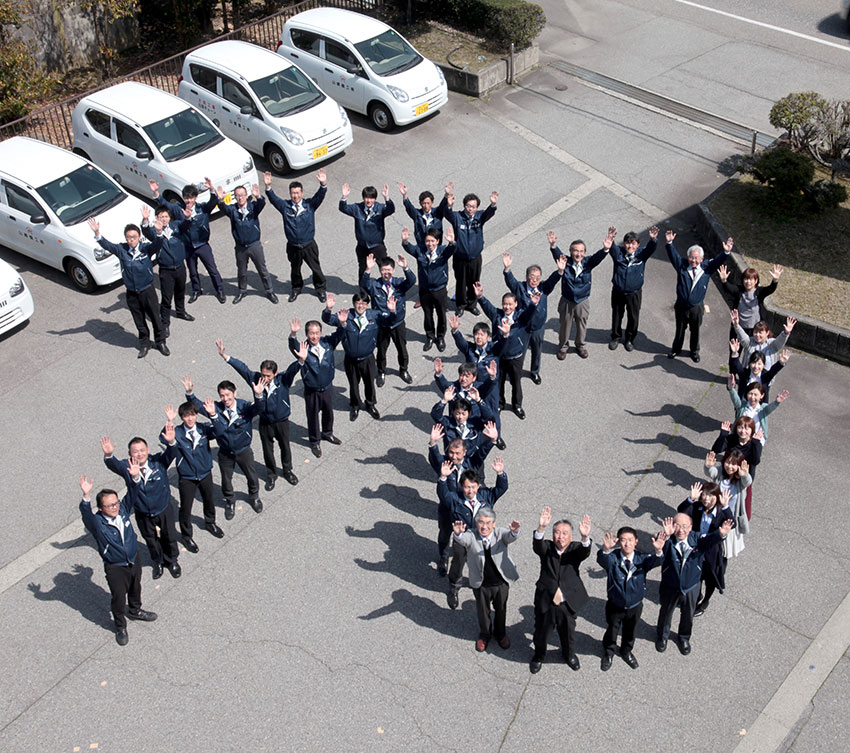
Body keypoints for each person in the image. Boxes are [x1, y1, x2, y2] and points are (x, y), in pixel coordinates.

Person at [79, 475, 157, 646]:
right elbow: (86, 515)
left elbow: (133, 493)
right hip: (115, 567)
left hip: (133, 558)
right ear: (100, 508)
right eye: (109, 505)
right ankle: (120, 625)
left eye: (116, 503)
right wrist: (86, 497)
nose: (114, 507)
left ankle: (135, 610)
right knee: (119, 597)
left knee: (136, 587)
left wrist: (136, 478)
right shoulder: (98, 524)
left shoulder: (122, 511)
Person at [216, 338, 301, 489]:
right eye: (263, 375)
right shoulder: (256, 380)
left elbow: (293, 369)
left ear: (275, 373)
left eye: (268, 376)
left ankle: (287, 470)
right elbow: (242, 368)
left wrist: (301, 360)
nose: (265, 378)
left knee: (285, 447)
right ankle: (271, 474)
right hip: (265, 422)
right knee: (268, 450)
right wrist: (226, 357)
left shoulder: (283, 380)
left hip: (281, 421)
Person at [101, 428, 180, 580]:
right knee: (150, 539)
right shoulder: (128, 467)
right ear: (130, 454)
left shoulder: (158, 462)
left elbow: (172, 453)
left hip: (163, 509)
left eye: (142, 450)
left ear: (148, 450)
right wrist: (109, 455)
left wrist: (171, 442)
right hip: (143, 513)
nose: (139, 454)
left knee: (169, 536)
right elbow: (113, 464)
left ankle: (172, 561)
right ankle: (158, 562)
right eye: (135, 451)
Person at [183, 375, 264, 520]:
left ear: (234, 393)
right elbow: (198, 405)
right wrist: (190, 393)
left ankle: (254, 496)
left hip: (243, 449)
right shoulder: (216, 408)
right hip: (225, 452)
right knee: (226, 479)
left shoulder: (244, 406)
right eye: (222, 396)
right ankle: (229, 501)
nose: (225, 399)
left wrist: (258, 395)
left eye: (227, 395)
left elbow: (259, 408)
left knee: (251, 475)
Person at [87, 215, 167, 358]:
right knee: (139, 321)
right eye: (129, 237)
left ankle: (160, 342)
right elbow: (108, 245)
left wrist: (159, 232)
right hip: (132, 293)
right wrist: (97, 233)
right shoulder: (121, 250)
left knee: (155, 317)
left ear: (139, 237)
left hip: (147, 290)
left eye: (134, 237)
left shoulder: (146, 249)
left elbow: (158, 244)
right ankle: (144, 343)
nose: (131, 240)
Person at [655, 513, 732, 655]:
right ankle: (662, 637)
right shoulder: (666, 538)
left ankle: (684, 638)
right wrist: (664, 542)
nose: (681, 530)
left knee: (688, 614)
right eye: (677, 525)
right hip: (670, 585)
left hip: (691, 586)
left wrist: (720, 534)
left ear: (691, 528)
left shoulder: (697, 539)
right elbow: (660, 555)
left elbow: (709, 540)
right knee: (666, 613)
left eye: (684, 526)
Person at [437, 458, 508, 609]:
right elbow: (444, 496)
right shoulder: (456, 499)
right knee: (458, 563)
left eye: (473, 487)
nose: (470, 491)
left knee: (484, 563)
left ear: (478, 486)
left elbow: (501, 489)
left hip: (481, 539)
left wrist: (500, 473)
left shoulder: (486, 497)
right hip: (462, 538)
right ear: (461, 487)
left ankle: (483, 585)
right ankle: (454, 588)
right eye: (467, 487)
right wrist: (443, 478)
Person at [529, 507, 592, 673]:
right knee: (542, 631)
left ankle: (569, 655)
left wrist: (585, 536)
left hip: (567, 600)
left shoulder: (575, 549)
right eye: (557, 532)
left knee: (568, 632)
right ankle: (539, 655)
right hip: (547, 599)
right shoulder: (547, 548)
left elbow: (585, 551)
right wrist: (541, 527)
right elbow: (537, 546)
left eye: (565, 533)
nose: (560, 536)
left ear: (571, 536)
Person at [597, 525, 665, 670]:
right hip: (615, 604)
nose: (627, 543)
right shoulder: (613, 558)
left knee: (630, 630)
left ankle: (626, 651)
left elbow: (657, 561)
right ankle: (609, 652)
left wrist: (658, 550)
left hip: (635, 605)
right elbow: (603, 560)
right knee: (612, 629)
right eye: (623, 540)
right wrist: (606, 550)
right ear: (618, 542)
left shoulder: (642, 559)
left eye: (630, 540)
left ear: (636, 542)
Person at [322, 291, 398, 422]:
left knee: (369, 383)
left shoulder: (374, 316)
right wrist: (328, 309)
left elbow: (390, 321)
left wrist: (392, 311)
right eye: (358, 303)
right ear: (353, 304)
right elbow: (327, 319)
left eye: (364, 303)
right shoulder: (346, 315)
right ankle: (355, 405)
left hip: (368, 358)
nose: (360, 306)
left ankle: (370, 404)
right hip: (351, 359)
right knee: (353, 384)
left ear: (368, 305)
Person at [451, 510, 520, 652]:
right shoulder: (471, 535)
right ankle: (485, 634)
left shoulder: (500, 533)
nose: (484, 526)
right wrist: (458, 534)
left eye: (488, 523)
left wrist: (514, 532)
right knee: (483, 611)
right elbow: (463, 540)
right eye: (481, 522)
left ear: (494, 524)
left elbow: (510, 537)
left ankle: (500, 634)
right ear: (476, 523)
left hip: (500, 582)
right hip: (481, 583)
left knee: (501, 610)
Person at [149, 178, 226, 303]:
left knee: (212, 268)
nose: (188, 200)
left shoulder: (203, 209)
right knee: (192, 270)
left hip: (202, 245)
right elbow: (165, 204)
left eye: (190, 198)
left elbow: (213, 201)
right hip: (188, 247)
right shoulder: (179, 211)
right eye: (186, 198)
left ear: (195, 198)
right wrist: (156, 193)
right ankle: (196, 290)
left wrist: (212, 189)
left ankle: (220, 290)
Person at [474, 280, 543, 418]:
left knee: (516, 382)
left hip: (515, 357)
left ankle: (517, 405)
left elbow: (529, 313)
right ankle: (500, 403)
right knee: (498, 382)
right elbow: (488, 307)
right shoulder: (497, 315)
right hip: (499, 356)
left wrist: (534, 304)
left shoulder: (521, 317)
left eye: (510, 304)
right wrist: (480, 297)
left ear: (516, 304)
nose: (507, 307)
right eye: (505, 304)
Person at [162, 401, 224, 553]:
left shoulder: (203, 428)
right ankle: (186, 535)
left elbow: (220, 430)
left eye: (192, 415)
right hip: (187, 476)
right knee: (185, 507)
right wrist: (169, 422)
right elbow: (164, 438)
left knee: (209, 500)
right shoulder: (177, 431)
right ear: (182, 418)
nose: (190, 419)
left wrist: (213, 415)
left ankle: (210, 523)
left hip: (204, 473)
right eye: (186, 416)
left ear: (196, 415)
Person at [664, 231, 732, 363]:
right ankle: (676, 349)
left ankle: (694, 352)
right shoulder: (682, 266)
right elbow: (674, 256)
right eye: (691, 257)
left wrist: (726, 253)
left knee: (695, 331)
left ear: (701, 259)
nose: (693, 261)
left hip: (696, 307)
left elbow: (718, 261)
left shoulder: (707, 268)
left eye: (696, 258)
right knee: (679, 330)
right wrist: (669, 243)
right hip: (682, 306)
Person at [264, 168, 328, 302]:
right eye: (293, 193)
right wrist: (268, 187)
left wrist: (323, 185)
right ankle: (296, 288)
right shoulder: (285, 206)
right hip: (293, 246)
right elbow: (273, 199)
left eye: (298, 193)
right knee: (295, 270)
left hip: (309, 245)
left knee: (316, 269)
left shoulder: (309, 205)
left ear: (302, 193)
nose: (295, 196)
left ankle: (320, 289)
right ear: (290, 194)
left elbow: (319, 196)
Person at [438, 180, 498, 316]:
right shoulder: (457, 217)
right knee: (461, 282)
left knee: (474, 282)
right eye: (468, 206)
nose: (470, 209)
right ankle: (460, 305)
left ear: (477, 208)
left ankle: (472, 304)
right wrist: (449, 205)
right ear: (464, 206)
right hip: (460, 258)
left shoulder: (479, 217)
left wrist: (493, 204)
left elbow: (489, 213)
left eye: (473, 206)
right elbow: (447, 214)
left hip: (475, 258)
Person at [549, 229, 610, 359]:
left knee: (582, 325)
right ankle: (563, 347)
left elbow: (598, 257)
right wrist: (553, 245)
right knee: (565, 325)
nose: (578, 254)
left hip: (582, 300)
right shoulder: (566, 262)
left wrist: (605, 249)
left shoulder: (588, 263)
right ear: (571, 252)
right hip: (567, 300)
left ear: (585, 253)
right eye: (576, 251)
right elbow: (558, 255)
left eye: (581, 251)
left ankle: (580, 346)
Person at [677, 482, 735, 618]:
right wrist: (691, 499)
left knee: (710, 579)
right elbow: (681, 511)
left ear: (717, 497)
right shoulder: (697, 507)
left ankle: (705, 601)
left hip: (712, 552)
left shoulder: (721, 512)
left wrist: (726, 506)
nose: (706, 499)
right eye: (704, 495)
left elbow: (732, 523)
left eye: (710, 496)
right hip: (696, 549)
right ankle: (695, 596)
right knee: (695, 576)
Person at [288, 317, 343, 458]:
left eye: (317, 332)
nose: (315, 336)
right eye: (312, 333)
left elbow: (340, 334)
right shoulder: (303, 347)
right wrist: (293, 334)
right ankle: (315, 441)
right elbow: (292, 345)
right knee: (312, 416)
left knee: (328, 412)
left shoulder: (327, 343)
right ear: (307, 334)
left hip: (327, 386)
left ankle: (327, 433)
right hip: (312, 389)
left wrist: (342, 323)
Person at [216, 182, 278, 304]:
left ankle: (269, 291)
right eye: (237, 195)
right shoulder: (233, 210)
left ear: (246, 195)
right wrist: (220, 201)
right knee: (242, 271)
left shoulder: (253, 207)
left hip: (254, 245)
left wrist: (258, 196)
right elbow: (223, 208)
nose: (240, 197)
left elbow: (262, 203)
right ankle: (242, 290)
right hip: (240, 247)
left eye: (242, 195)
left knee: (262, 269)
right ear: (235, 197)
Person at [360, 253, 416, 385]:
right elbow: (363, 284)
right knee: (381, 351)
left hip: (398, 323)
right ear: (380, 271)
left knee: (402, 349)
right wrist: (367, 269)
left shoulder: (399, 284)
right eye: (383, 270)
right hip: (382, 325)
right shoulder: (374, 285)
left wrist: (406, 267)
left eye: (389, 270)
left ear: (393, 270)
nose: (386, 273)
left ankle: (403, 370)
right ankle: (381, 372)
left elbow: (412, 281)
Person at [502, 252, 558, 384]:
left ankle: (535, 372)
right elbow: (511, 282)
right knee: (519, 351)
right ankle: (516, 372)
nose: (534, 280)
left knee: (537, 351)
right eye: (532, 277)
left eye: (537, 277)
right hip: (523, 327)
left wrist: (560, 271)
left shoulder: (544, 288)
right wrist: (507, 269)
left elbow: (553, 280)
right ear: (527, 277)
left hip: (538, 327)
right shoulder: (520, 288)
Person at [141, 204, 195, 338]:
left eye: (166, 216)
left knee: (180, 291)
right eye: (161, 217)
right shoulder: (155, 232)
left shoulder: (176, 226)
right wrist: (145, 221)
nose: (164, 219)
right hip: (166, 270)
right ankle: (165, 323)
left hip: (180, 267)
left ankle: (181, 311)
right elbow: (146, 232)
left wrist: (188, 218)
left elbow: (185, 225)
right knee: (166, 298)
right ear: (157, 218)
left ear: (170, 218)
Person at [401, 224, 456, 351]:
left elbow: (452, 249)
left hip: (440, 290)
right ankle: (430, 336)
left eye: (432, 241)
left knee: (441, 315)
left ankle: (440, 337)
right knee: (428, 315)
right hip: (425, 290)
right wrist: (405, 241)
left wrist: (452, 242)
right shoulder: (420, 251)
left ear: (437, 241)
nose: (429, 243)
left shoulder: (443, 251)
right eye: (427, 241)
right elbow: (409, 248)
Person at [607, 226, 659, 351]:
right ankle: (616, 337)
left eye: (633, 243)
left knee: (633, 317)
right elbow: (610, 246)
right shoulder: (618, 253)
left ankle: (629, 339)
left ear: (637, 245)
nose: (630, 246)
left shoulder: (642, 255)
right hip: (618, 292)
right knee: (617, 315)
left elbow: (651, 248)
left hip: (634, 293)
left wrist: (653, 239)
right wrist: (610, 238)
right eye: (627, 243)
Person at [339, 183, 395, 279]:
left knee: (385, 267)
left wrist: (387, 198)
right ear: (363, 198)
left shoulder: (380, 208)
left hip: (377, 246)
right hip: (362, 246)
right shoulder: (357, 208)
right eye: (366, 197)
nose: (368, 200)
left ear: (375, 199)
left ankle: (387, 288)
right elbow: (343, 208)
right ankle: (363, 291)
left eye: (371, 198)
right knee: (363, 269)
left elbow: (391, 209)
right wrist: (344, 197)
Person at [704, 449, 751, 556]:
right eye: (728, 462)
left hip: (731, 518)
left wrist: (744, 474)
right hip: (716, 516)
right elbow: (711, 472)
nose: (730, 466)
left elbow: (748, 482)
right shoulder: (720, 471)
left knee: (725, 550)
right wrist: (708, 466)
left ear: (739, 465)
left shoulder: (740, 480)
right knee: (713, 547)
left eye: (734, 464)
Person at [719, 263, 782, 335]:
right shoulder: (739, 290)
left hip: (754, 330)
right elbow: (729, 288)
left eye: (751, 279)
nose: (748, 282)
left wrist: (775, 280)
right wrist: (724, 281)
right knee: (734, 345)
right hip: (738, 326)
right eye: (746, 279)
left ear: (756, 281)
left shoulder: (759, 292)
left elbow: (770, 289)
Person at [430, 385, 498, 453]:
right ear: (453, 412)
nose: (460, 417)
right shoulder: (448, 423)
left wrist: (479, 400)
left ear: (469, 413)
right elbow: (435, 415)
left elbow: (488, 417)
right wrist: (444, 401)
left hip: (471, 459)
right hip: (452, 458)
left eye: (463, 414)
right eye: (457, 413)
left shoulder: (475, 423)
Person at [727, 375, 790, 444]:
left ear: (762, 396)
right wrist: (731, 389)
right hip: (740, 436)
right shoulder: (742, 406)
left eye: (756, 394)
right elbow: (735, 399)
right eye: (750, 394)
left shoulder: (763, 409)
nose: (752, 397)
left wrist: (777, 402)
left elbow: (770, 408)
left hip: (755, 439)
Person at [731, 311, 795, 371]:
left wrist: (786, 332)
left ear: (767, 333)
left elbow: (779, 341)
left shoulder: (771, 344)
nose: (757, 335)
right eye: (755, 332)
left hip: (765, 379)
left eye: (760, 332)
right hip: (749, 377)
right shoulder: (750, 342)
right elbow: (743, 338)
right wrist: (737, 326)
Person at [398, 181, 443, 249]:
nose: (426, 206)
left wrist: (446, 195)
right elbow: (409, 207)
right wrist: (405, 195)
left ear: (432, 203)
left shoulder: (437, 213)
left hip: (436, 248)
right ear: (420, 203)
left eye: (428, 203)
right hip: (422, 248)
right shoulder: (417, 214)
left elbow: (443, 205)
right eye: (424, 203)